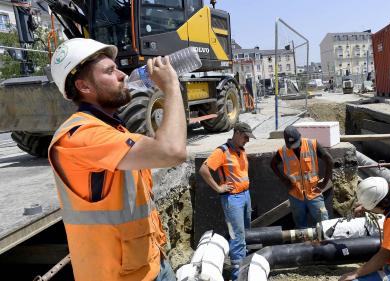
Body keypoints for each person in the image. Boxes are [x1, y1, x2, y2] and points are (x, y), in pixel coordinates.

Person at [47, 38, 187, 281]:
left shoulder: (114, 131)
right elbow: (171, 151)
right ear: (84, 86)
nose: (122, 75)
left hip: (150, 262)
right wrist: (172, 87)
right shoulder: (81, 136)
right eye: (110, 71)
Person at [198, 122, 255, 281]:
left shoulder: (241, 150)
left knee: (246, 234)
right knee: (237, 237)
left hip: (245, 196)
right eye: (245, 137)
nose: (247, 140)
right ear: (236, 133)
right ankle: (238, 276)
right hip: (233, 199)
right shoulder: (222, 151)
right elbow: (203, 170)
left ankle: (245, 268)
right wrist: (218, 188)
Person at [270, 125, 333, 229]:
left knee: (324, 225)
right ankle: (303, 244)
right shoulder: (283, 151)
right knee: (301, 228)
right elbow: (273, 164)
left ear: (299, 137)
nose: (295, 147)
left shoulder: (312, 144)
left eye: (296, 144)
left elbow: (329, 160)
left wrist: (325, 182)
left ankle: (325, 243)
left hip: (313, 193)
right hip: (296, 196)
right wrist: (284, 180)